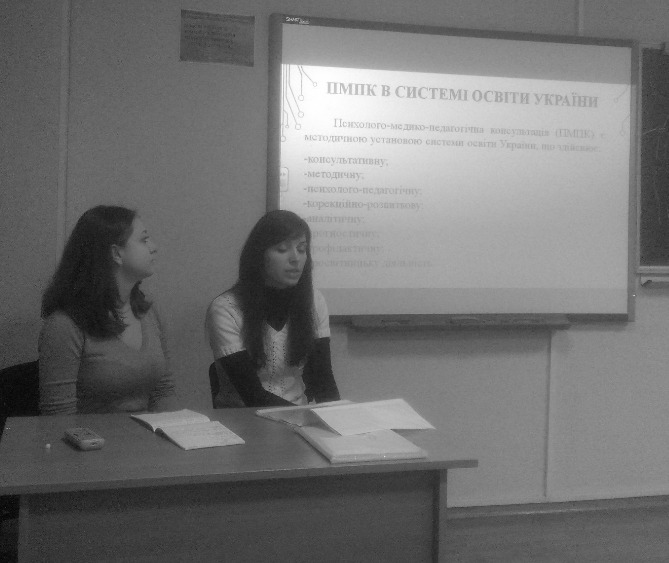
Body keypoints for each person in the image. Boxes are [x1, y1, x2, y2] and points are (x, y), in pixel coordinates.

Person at [39, 205, 178, 415]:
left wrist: (173, 431)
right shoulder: (64, 325)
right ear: (116, 253)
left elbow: (164, 391)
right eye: (144, 240)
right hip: (90, 437)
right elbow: (58, 417)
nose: (154, 247)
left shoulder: (150, 311)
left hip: (146, 435)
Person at [205, 210, 340, 407]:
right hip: (245, 418)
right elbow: (253, 396)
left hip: (300, 413)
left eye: (302, 249)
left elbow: (323, 379)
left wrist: (338, 419)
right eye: (282, 249)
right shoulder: (226, 309)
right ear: (259, 255)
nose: (295, 258)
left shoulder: (314, 300)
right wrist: (303, 417)